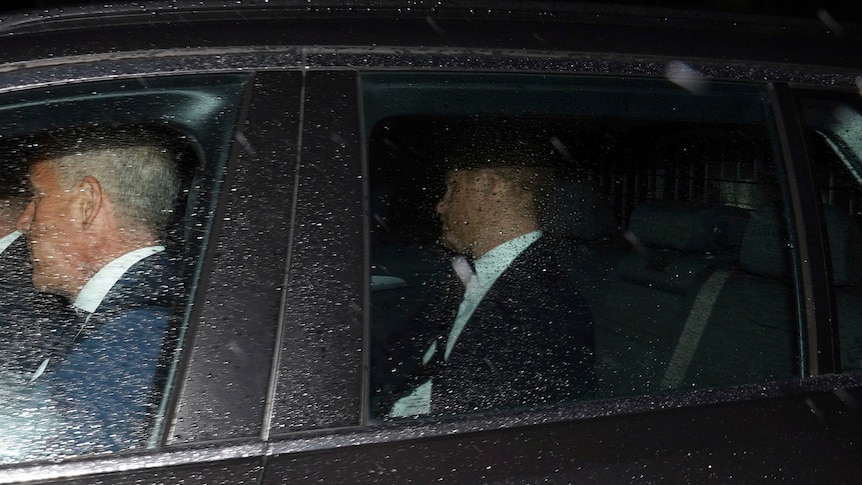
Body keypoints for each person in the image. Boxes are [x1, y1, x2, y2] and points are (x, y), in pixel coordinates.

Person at [386, 129, 596, 417]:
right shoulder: (469, 275)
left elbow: (480, 426)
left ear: (490, 187)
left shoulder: (545, 307)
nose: (441, 205)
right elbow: (399, 354)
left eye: (453, 187)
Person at [12, 124, 183, 456]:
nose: (24, 221)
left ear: (86, 204)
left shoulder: (138, 334)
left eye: (36, 197)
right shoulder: (128, 308)